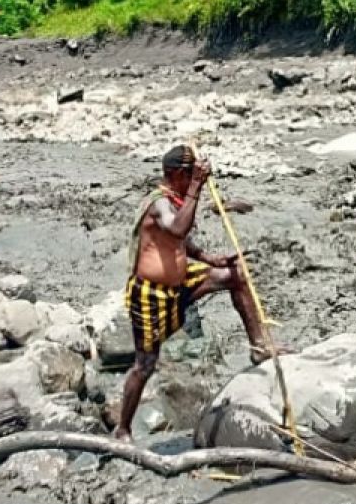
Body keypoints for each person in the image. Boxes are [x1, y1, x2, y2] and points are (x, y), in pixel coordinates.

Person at [115, 145, 282, 440]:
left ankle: (259, 346)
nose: (194, 179)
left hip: (181, 283)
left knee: (235, 275)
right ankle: (123, 428)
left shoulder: (174, 201)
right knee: (145, 365)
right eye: (189, 175)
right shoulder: (158, 204)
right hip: (150, 295)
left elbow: (180, 243)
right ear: (178, 174)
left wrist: (209, 259)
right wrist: (195, 188)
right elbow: (177, 230)